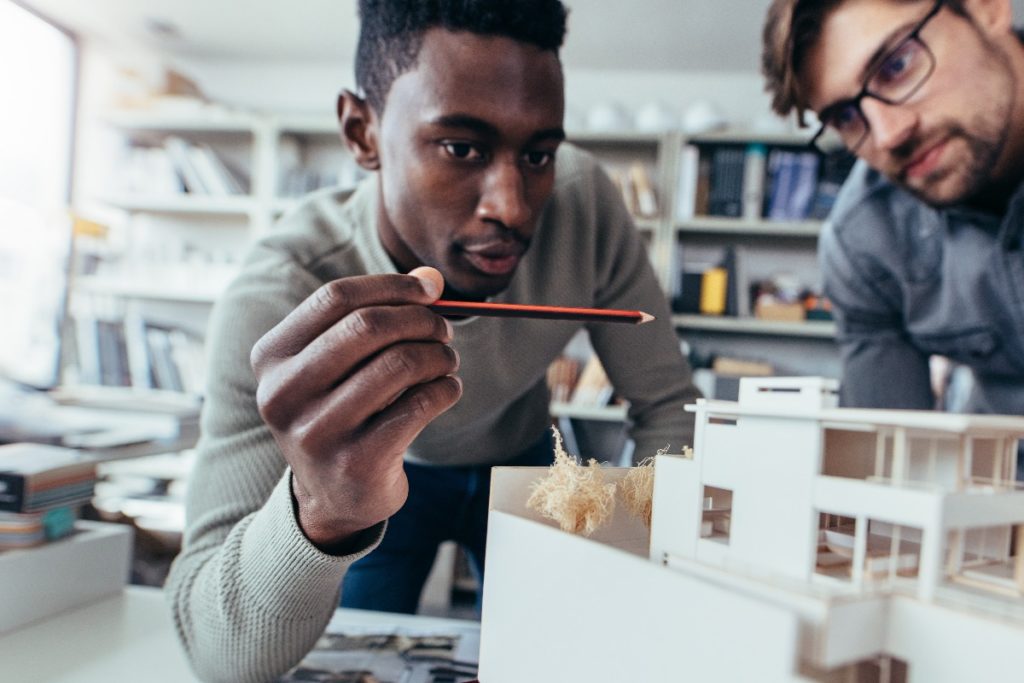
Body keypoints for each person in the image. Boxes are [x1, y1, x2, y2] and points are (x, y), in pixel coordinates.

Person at [165, 1, 700, 680]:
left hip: (525, 461)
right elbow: (220, 657)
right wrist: (322, 511)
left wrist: (632, 551)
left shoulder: (585, 202)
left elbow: (671, 409)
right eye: (461, 148)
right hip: (379, 482)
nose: (511, 206)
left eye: (538, 154)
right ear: (362, 132)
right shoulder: (280, 293)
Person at [762, 0, 1024, 476]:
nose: (887, 136)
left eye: (897, 66)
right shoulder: (865, 242)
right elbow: (891, 476)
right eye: (845, 117)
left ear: (986, 8)